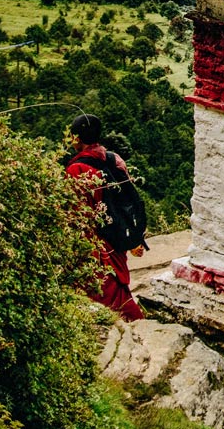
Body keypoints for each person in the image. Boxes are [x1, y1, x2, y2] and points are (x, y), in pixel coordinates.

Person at [64, 113, 145, 321]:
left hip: (97, 241)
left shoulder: (77, 169)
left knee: (105, 291)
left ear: (76, 139)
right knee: (117, 288)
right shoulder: (114, 159)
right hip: (117, 233)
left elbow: (78, 216)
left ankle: (135, 326)